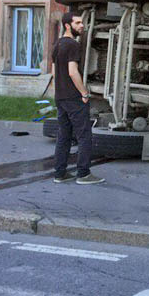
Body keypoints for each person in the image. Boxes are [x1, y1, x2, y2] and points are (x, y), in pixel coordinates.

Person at [51, 12, 104, 184]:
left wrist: (58, 91)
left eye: (82, 23)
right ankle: (83, 174)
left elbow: (53, 73)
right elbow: (72, 72)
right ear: (68, 25)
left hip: (60, 97)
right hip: (74, 98)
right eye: (78, 23)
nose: (82, 26)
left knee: (64, 136)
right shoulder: (73, 45)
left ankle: (59, 174)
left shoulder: (57, 44)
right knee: (84, 136)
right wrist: (84, 93)